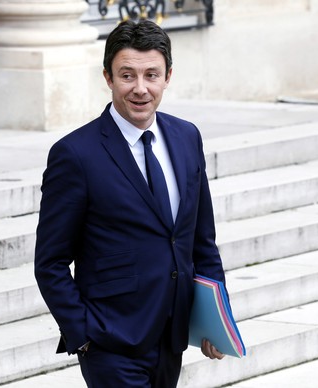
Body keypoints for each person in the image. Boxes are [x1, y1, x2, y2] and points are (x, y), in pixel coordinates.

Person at [34, 19, 226, 387]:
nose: (140, 89)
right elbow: (51, 262)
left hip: (172, 338)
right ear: (107, 77)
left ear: (168, 76)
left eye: (151, 75)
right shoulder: (74, 155)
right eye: (127, 76)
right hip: (111, 344)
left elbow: (200, 239)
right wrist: (84, 335)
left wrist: (214, 318)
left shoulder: (187, 137)